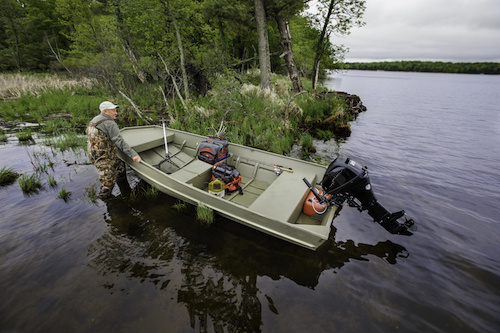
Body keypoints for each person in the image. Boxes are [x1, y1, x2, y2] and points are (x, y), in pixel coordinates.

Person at [86, 101, 141, 198]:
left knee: (120, 166)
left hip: (94, 153)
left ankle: (125, 191)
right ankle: (106, 201)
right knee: (108, 181)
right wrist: (133, 154)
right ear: (105, 111)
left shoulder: (95, 120)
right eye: (113, 110)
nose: (116, 112)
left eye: (115, 110)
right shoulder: (109, 123)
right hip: (103, 157)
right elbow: (119, 141)